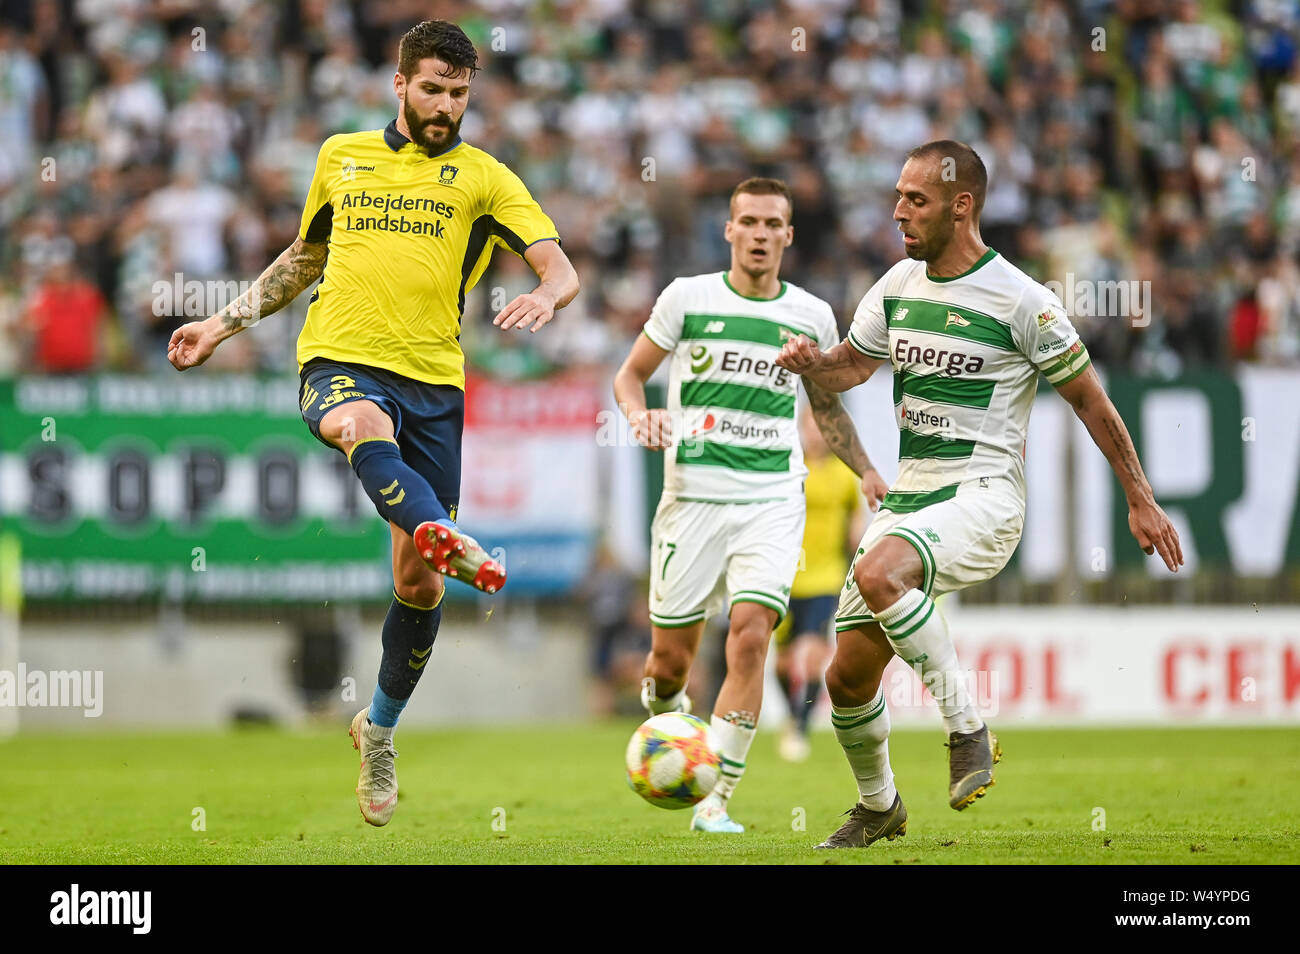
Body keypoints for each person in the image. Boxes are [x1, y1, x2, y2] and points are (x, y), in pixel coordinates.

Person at [166, 20, 580, 827]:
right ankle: (446, 533)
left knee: (416, 583)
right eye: (432, 89)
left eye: (459, 94)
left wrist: (545, 295)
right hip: (341, 360)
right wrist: (218, 325)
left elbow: (559, 265)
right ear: (399, 84)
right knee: (359, 427)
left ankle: (378, 730)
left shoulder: (487, 177)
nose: (445, 106)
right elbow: (304, 258)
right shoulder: (341, 156)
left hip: (435, 383)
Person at [776, 140, 1183, 849]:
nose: (899, 211)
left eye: (916, 200)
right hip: (910, 497)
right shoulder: (897, 286)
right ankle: (880, 807)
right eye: (898, 196)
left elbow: (1092, 402)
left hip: (984, 495)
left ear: (962, 206)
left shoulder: (1024, 299)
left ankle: (968, 728)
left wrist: (1140, 497)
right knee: (845, 678)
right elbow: (851, 369)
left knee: (879, 572)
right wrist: (815, 363)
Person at [613, 177, 886, 833]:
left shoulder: (813, 315)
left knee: (750, 638)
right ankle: (671, 729)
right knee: (668, 665)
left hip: (771, 500)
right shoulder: (687, 299)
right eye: (749, 223)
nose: (761, 234)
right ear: (729, 231)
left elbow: (825, 407)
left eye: (773, 224)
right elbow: (628, 375)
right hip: (693, 500)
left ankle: (715, 800)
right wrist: (637, 414)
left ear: (789, 235)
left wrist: (868, 471)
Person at [775, 404, 868, 762]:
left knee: (812, 652)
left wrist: (859, 546)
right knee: (783, 664)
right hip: (786, 578)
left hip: (825, 577)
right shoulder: (789, 469)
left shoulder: (846, 475)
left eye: (821, 426)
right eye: (809, 426)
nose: (816, 433)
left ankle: (799, 727)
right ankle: (791, 714)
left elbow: (854, 521)